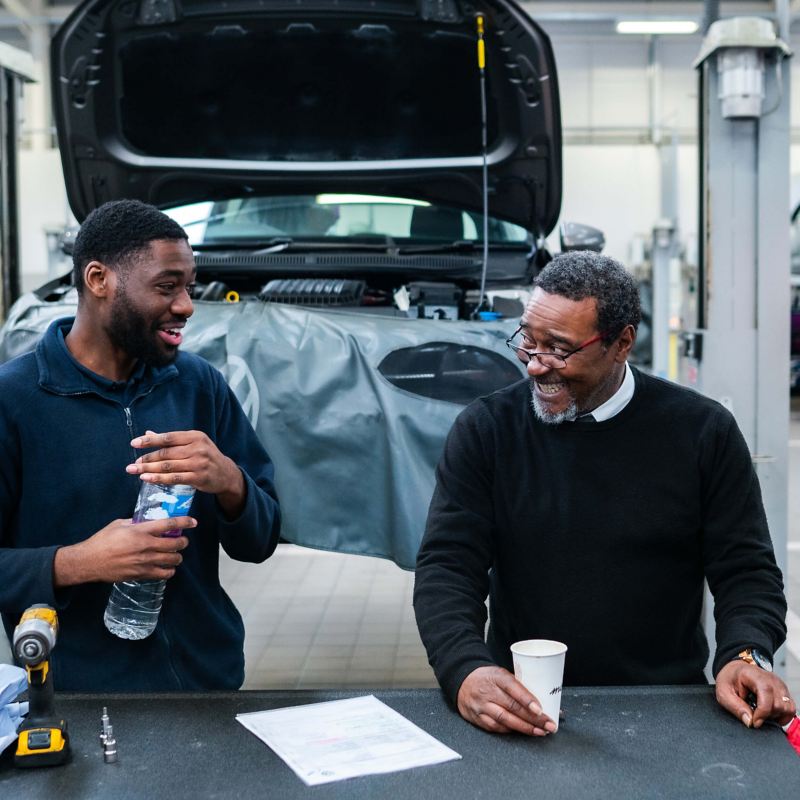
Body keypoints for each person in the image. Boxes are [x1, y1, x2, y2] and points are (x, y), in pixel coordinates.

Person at [414, 251, 796, 737]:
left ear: (622, 343)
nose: (535, 365)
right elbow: (448, 567)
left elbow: (746, 570)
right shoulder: (486, 431)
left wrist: (746, 653)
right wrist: (464, 669)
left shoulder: (702, 433)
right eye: (527, 341)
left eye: (559, 348)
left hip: (667, 708)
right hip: (523, 705)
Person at [0, 199, 281, 691]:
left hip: (209, 687)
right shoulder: (14, 400)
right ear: (98, 280)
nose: (187, 306)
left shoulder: (199, 384)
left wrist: (232, 482)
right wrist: (78, 562)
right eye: (167, 287)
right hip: (82, 700)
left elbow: (261, 540)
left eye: (189, 287)